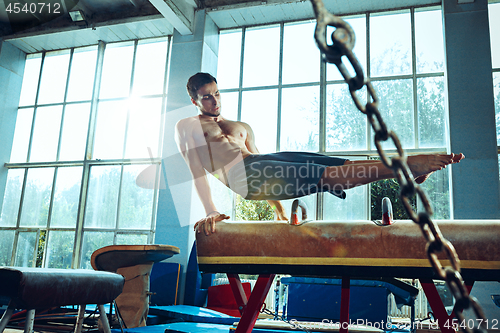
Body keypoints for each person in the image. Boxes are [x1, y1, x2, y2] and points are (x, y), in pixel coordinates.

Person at [175, 72, 465, 235]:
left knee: (340, 164)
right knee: (331, 178)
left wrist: (278, 209)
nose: (215, 101)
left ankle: (406, 171)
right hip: (243, 178)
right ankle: (405, 166)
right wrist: (210, 209)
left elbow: (261, 160)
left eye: (217, 93)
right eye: (206, 97)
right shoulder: (187, 126)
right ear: (194, 100)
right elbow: (194, 169)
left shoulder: (241, 126)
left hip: (263, 165)